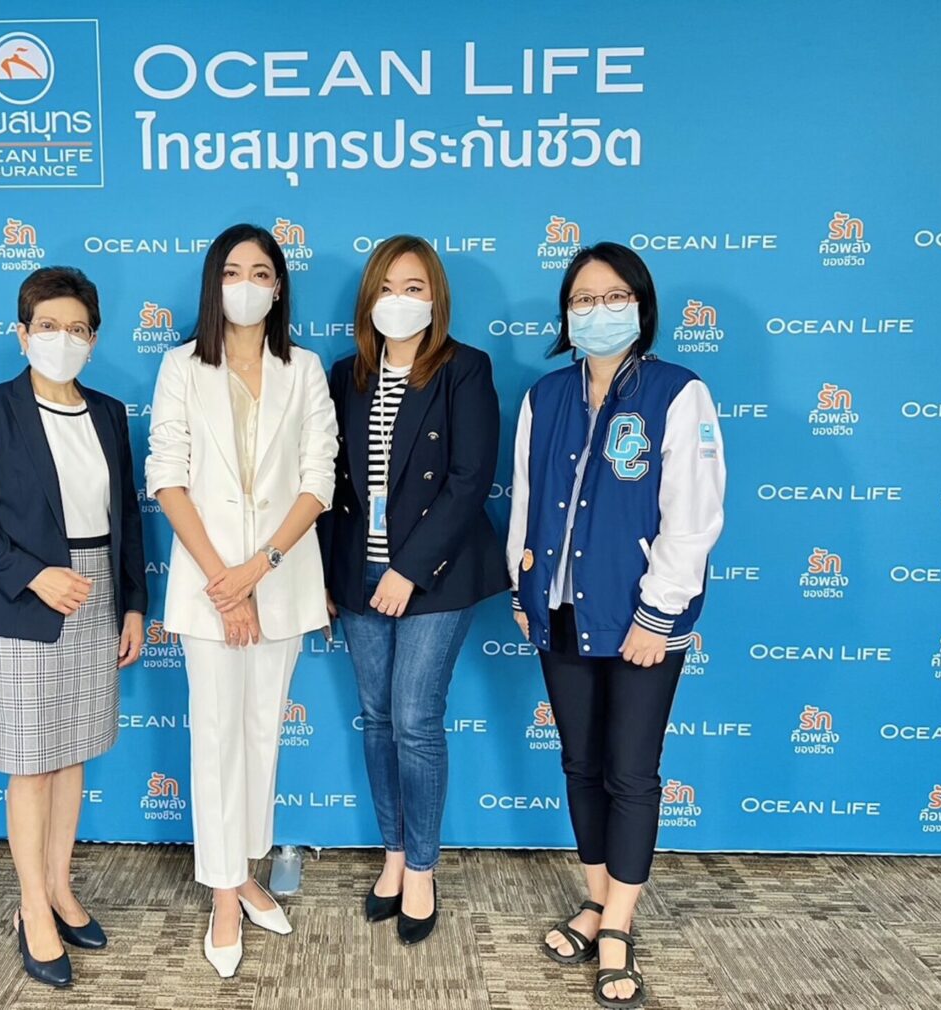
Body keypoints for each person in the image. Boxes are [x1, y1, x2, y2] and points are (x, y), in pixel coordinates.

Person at [506, 242, 726, 1008]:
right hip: (562, 610)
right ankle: (598, 900)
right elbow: (527, 500)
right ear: (566, 314)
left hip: (640, 620)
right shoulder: (545, 397)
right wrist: (526, 590)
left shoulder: (677, 393)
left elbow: (692, 517)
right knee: (580, 763)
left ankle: (619, 927)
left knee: (630, 771)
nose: (598, 311)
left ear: (641, 306)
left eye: (613, 297)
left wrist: (657, 612)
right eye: (583, 299)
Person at [0, 266, 147, 989]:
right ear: (23, 334)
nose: (64, 339)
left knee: (73, 751)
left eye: (78, 329)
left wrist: (133, 604)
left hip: (97, 592)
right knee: (31, 762)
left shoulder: (109, 413)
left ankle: (60, 887)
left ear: (95, 338)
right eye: (50, 327)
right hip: (28, 599)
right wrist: (33, 575)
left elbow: (126, 516)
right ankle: (32, 907)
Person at [144, 223, 338, 978]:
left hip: (281, 582)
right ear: (213, 283)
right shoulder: (180, 366)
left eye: (261, 272)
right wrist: (226, 584)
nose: (247, 284)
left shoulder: (305, 368)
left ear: (279, 287)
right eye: (232, 271)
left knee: (261, 735)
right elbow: (168, 477)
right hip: (208, 588)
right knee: (217, 738)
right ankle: (224, 895)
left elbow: (318, 478)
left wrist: (260, 568)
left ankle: (247, 870)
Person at [321, 235, 508, 945]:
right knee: (376, 717)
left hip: (435, 576)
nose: (399, 301)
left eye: (414, 288)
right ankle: (394, 855)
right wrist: (330, 576)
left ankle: (424, 869)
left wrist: (409, 569)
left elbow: (469, 480)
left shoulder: (465, 369)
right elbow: (329, 482)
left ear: (436, 298)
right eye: (387, 288)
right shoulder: (346, 376)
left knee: (415, 718)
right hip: (359, 573)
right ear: (368, 298)